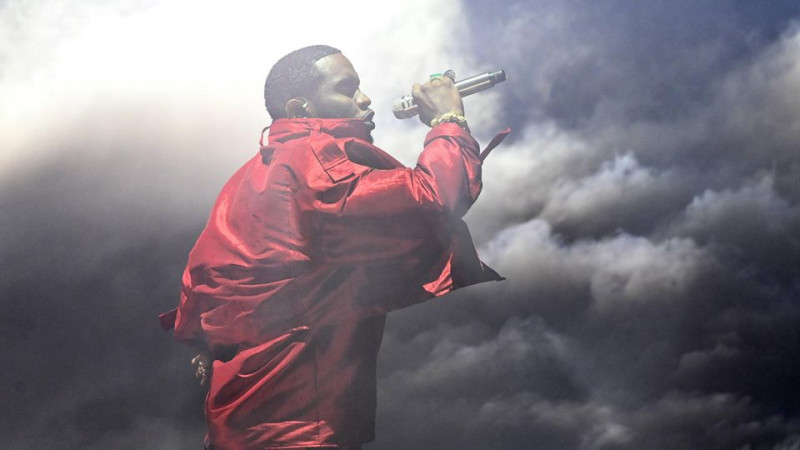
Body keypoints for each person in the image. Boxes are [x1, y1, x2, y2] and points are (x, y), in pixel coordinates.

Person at [160, 45, 506, 449]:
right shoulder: (312, 162)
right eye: (347, 88)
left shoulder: (248, 178)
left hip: (237, 429)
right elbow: (432, 199)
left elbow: (205, 279)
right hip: (302, 433)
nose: (365, 100)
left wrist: (207, 345)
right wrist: (448, 121)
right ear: (300, 107)